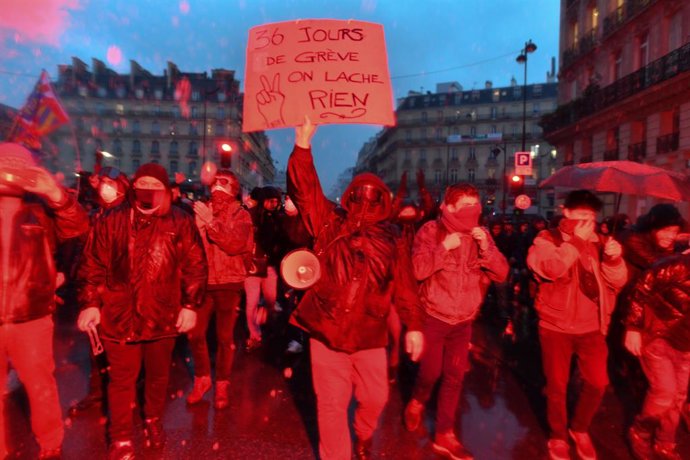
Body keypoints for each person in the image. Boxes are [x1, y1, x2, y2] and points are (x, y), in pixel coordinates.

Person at [287, 117, 423, 460]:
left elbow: (405, 285)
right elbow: (306, 193)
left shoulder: (392, 238)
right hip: (327, 329)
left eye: (373, 195)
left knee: (375, 397)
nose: (365, 199)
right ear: (349, 196)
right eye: (359, 193)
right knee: (331, 406)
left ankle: (363, 434)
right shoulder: (330, 224)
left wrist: (415, 326)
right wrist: (303, 146)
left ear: (383, 199)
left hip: (369, 333)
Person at [77, 163, 207, 460]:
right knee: (121, 381)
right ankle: (121, 436)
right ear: (134, 186)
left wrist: (190, 304)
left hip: (163, 314)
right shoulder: (111, 220)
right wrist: (89, 303)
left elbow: (195, 265)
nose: (148, 189)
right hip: (118, 315)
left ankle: (152, 420)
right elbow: (92, 264)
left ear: (165, 191)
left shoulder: (180, 221)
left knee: (158, 377)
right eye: (143, 182)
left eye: (155, 184)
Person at [404, 182, 508, 460]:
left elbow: (501, 274)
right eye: (464, 207)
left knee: (454, 377)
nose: (471, 212)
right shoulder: (431, 231)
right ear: (448, 207)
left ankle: (444, 434)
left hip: (463, 321)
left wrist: (486, 248)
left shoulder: (480, 235)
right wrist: (444, 248)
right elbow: (417, 270)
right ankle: (417, 399)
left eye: (475, 206)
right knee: (430, 373)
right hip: (433, 318)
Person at [0, 143, 88, 459]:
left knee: (39, 384)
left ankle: (50, 442)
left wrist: (57, 196)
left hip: (32, 314)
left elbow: (78, 227)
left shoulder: (40, 208)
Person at [527, 190, 627, 460]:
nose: (586, 221)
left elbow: (617, 282)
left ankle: (579, 429)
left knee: (597, 383)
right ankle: (558, 436)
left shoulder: (601, 242)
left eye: (591, 216)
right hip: (556, 327)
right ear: (566, 212)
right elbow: (550, 269)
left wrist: (614, 259)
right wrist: (577, 243)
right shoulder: (547, 238)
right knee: (557, 386)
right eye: (581, 215)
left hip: (593, 327)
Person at [186, 169, 253, 409]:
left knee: (225, 338)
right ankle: (203, 378)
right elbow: (192, 247)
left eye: (223, 183)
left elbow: (235, 244)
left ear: (233, 188)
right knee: (195, 334)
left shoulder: (241, 214)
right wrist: (197, 227)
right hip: (204, 282)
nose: (217, 186)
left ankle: (222, 383)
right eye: (214, 182)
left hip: (229, 283)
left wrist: (211, 224)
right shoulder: (204, 209)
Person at [69, 166, 130, 416]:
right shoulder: (96, 215)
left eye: (110, 182)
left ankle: (119, 392)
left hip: (119, 292)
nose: (105, 187)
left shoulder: (128, 215)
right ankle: (98, 390)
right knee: (96, 345)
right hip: (96, 290)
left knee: (120, 347)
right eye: (102, 182)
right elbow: (85, 253)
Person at [624, 250, 690, 460]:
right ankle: (640, 432)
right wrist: (633, 327)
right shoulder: (677, 265)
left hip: (686, 344)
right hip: (658, 334)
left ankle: (665, 442)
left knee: (678, 396)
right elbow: (641, 289)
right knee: (665, 391)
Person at [244, 185, 285, 351]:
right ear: (263, 201)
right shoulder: (251, 216)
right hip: (253, 266)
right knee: (251, 302)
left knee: (271, 301)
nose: (273, 204)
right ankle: (254, 334)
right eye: (270, 201)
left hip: (270, 267)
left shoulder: (279, 219)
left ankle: (267, 325)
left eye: (276, 201)